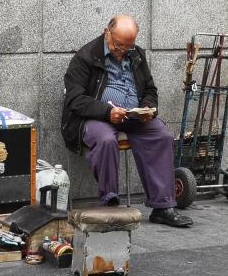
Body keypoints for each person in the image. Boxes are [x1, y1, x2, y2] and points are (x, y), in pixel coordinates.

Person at [61, 15, 193, 227]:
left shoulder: (136, 54)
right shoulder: (85, 57)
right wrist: (106, 112)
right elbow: (74, 100)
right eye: (118, 46)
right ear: (107, 33)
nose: (122, 51)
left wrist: (149, 108)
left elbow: (150, 89)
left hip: (131, 116)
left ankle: (163, 206)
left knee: (162, 135)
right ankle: (110, 204)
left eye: (127, 47)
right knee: (105, 139)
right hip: (95, 118)